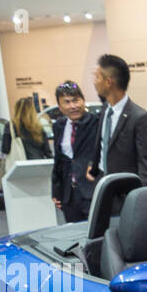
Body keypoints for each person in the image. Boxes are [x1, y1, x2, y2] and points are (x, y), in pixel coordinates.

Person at [86, 53, 147, 190]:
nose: (94, 82)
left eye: (97, 77)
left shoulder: (140, 118)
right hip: (102, 186)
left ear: (109, 82)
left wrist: (138, 196)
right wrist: (94, 167)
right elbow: (103, 145)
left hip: (126, 192)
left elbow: (146, 164)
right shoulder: (105, 109)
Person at [50, 81, 99, 221]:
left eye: (76, 100)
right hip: (69, 194)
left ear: (83, 101)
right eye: (67, 102)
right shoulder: (59, 126)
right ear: (60, 106)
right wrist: (56, 191)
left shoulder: (96, 123)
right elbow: (59, 161)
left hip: (91, 190)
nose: (73, 106)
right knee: (73, 236)